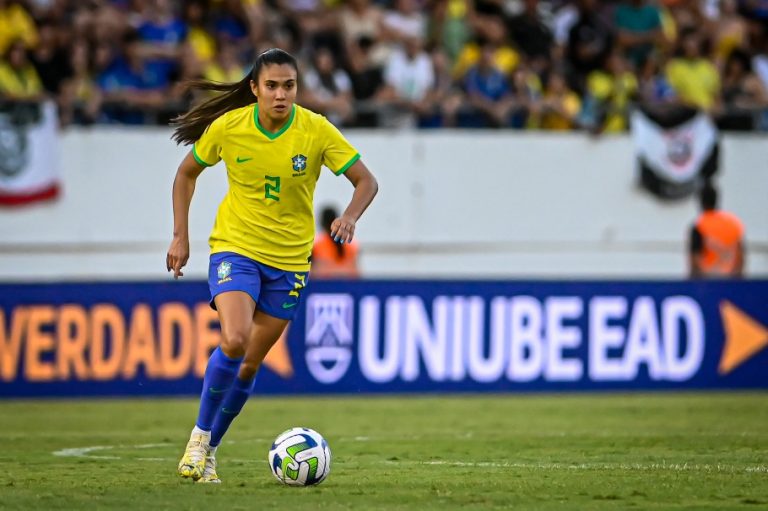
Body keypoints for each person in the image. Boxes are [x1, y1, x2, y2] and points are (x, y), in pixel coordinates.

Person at [166, 48, 378, 484]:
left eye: (289, 86)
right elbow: (186, 173)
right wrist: (181, 235)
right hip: (236, 248)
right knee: (235, 338)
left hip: (291, 263)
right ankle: (198, 438)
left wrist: (350, 216)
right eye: (272, 86)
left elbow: (366, 181)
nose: (281, 95)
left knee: (248, 365)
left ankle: (211, 452)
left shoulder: (316, 130)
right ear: (254, 89)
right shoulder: (229, 127)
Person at [689, 183, 745, 278]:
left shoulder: (699, 225)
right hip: (731, 281)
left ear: (701, 202)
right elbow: (741, 257)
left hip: (708, 283)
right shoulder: (733, 223)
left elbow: (695, 260)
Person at [311, 205, 361, 279]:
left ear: (322, 223)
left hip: (324, 286)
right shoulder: (350, 243)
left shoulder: (317, 245)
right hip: (347, 285)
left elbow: (313, 272)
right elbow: (356, 272)